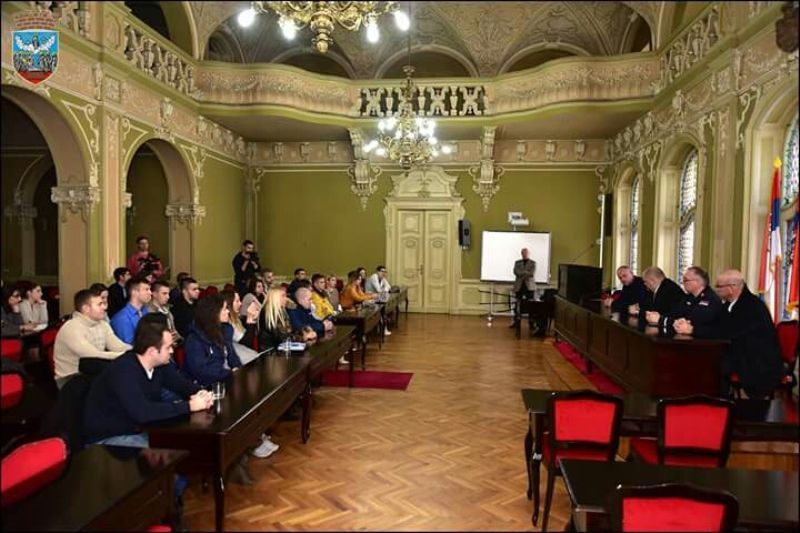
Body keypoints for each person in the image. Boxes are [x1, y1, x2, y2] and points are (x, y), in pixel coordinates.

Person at [82, 317, 213, 448]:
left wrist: (202, 393)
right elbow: (143, 412)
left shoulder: (160, 365)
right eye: (168, 347)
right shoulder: (124, 370)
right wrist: (189, 406)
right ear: (152, 351)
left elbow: (181, 384)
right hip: (109, 437)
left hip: (138, 429)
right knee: (174, 450)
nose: (172, 351)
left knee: (191, 442)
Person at [697, 269, 783, 398]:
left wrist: (694, 330)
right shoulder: (730, 304)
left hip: (757, 360)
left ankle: (723, 402)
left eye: (719, 286)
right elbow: (716, 325)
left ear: (731, 288)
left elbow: (727, 332)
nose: (716, 290)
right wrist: (692, 327)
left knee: (713, 366)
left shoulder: (751, 306)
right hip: (741, 353)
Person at [53, 288, 130, 388]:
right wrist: (126, 355)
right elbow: (92, 355)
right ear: (86, 308)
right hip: (70, 378)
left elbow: (118, 346)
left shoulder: (102, 324)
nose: (104, 307)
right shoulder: (71, 328)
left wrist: (137, 351)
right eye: (99, 304)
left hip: (93, 371)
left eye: (104, 303)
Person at [183, 294, 242, 388]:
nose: (228, 311)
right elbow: (201, 371)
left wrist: (238, 369)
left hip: (226, 379)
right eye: (224, 309)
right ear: (214, 313)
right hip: (207, 386)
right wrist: (229, 373)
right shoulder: (195, 340)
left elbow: (233, 357)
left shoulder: (225, 330)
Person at [648, 266, 723, 333]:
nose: (683, 283)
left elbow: (692, 321)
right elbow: (675, 313)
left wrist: (661, 320)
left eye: (686, 280)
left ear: (698, 282)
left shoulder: (710, 299)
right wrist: (660, 317)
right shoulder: (688, 297)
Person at [110, 276, 152, 345]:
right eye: (146, 289)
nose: (150, 293)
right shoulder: (122, 318)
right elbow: (129, 346)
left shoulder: (144, 310)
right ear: (134, 292)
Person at [148, 280, 181, 345]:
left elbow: (174, 331)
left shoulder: (167, 310)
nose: (168, 297)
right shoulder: (148, 312)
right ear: (154, 294)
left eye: (168, 294)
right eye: (164, 293)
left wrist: (179, 340)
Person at [260, 287, 293, 351]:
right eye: (283, 296)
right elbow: (280, 336)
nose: (286, 299)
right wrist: (302, 337)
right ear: (275, 298)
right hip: (270, 350)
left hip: (278, 348)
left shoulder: (281, 311)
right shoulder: (269, 313)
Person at [511, 248, 537, 328]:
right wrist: (525, 272)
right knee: (517, 305)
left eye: (526, 253)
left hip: (529, 287)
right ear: (521, 254)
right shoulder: (517, 262)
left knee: (531, 305)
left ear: (528, 253)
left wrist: (522, 274)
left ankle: (531, 323)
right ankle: (516, 322)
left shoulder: (533, 263)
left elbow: (531, 273)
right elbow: (516, 272)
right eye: (523, 253)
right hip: (519, 286)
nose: (525, 254)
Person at [364, 266, 392, 335]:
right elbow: (379, 290)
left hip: (376, 298)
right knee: (383, 308)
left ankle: (383, 328)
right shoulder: (374, 277)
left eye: (385, 272)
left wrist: (384, 290)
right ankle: (383, 328)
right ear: (377, 272)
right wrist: (384, 290)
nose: (383, 273)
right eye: (382, 271)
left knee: (385, 306)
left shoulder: (383, 278)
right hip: (369, 299)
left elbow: (388, 286)